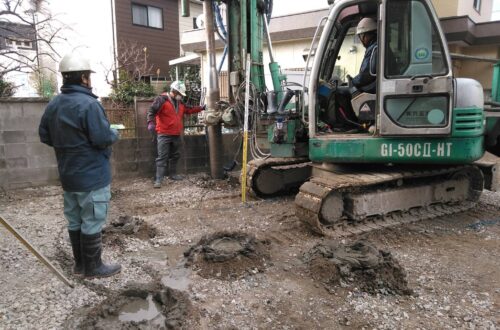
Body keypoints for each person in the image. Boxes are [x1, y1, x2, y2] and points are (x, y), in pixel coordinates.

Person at [39, 52, 121, 279]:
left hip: (68, 175)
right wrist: (114, 133)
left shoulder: (54, 104)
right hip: (92, 175)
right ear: (84, 78)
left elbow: (44, 136)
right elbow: (102, 138)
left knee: (75, 219)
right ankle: (94, 267)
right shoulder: (88, 105)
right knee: (92, 218)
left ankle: (80, 266)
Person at [147, 80, 205, 188]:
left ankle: (173, 174)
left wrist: (201, 108)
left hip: (176, 134)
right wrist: (150, 123)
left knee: (175, 155)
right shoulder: (162, 99)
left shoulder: (180, 103)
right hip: (163, 134)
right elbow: (151, 111)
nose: (181, 96)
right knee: (162, 157)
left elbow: (189, 109)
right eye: (180, 94)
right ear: (174, 91)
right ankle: (158, 179)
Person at [335, 17, 378, 128]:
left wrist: (353, 81)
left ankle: (353, 124)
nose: (361, 39)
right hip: (375, 85)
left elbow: (366, 75)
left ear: (367, 35)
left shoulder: (374, 48)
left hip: (373, 87)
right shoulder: (375, 47)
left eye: (361, 36)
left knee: (340, 93)